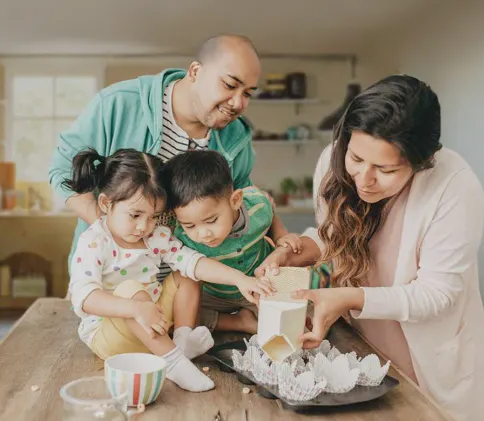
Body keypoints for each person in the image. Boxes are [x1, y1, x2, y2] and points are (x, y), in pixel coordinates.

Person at [256, 74, 484, 421]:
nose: (363, 179)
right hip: (362, 343)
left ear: (422, 161)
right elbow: (332, 236)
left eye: (385, 169)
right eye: (356, 158)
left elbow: (437, 294)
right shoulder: (336, 161)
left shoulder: (455, 187)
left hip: (424, 361)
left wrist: (348, 297)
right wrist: (299, 250)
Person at [49, 34, 295, 266]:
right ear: (195, 71)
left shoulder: (237, 136)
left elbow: (242, 199)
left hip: (193, 284)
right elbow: (62, 171)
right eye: (230, 85)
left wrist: (280, 235)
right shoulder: (118, 103)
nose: (238, 103)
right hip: (110, 274)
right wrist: (114, 234)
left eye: (248, 93)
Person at [66, 148, 275, 392]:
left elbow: (194, 262)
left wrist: (240, 279)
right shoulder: (94, 241)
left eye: (153, 216)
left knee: (187, 272)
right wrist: (136, 308)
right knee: (129, 289)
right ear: (105, 203)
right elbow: (84, 297)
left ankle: (182, 342)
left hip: (156, 327)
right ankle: (175, 363)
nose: (143, 226)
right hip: (111, 337)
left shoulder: (155, 236)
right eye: (135, 215)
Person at [159, 150, 311, 334]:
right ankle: (240, 322)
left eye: (211, 221)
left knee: (294, 322)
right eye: (190, 225)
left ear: (236, 200)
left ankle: (253, 316)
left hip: (258, 286)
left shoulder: (258, 206)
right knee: (178, 317)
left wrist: (281, 236)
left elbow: (269, 217)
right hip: (214, 295)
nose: (203, 234)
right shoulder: (181, 235)